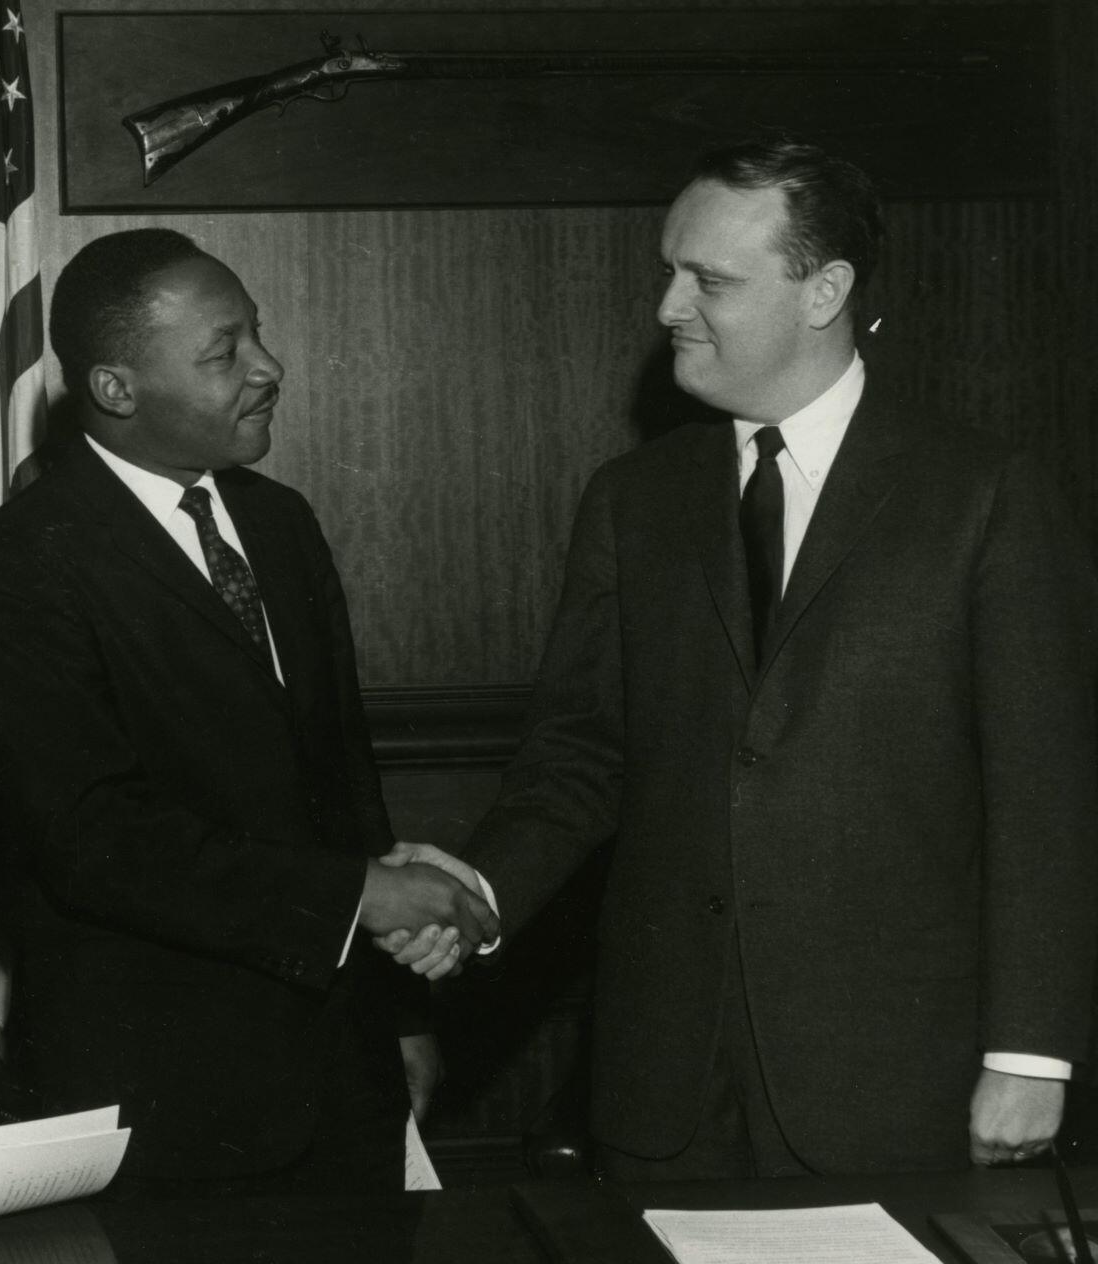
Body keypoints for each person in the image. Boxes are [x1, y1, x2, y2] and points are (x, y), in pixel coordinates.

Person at [456, 138, 1098, 1179]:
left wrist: (1031, 1052)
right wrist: (476, 887)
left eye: (707, 279)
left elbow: (1048, 800)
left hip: (897, 1085)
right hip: (664, 1085)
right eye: (668, 270)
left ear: (822, 291)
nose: (667, 306)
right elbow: (580, 753)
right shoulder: (633, 500)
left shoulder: (983, 497)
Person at [0, 229, 497, 1194]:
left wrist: (396, 1016)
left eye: (258, 336)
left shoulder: (282, 525)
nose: (268, 367)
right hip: (159, 1105)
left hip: (340, 1079)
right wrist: (353, 898)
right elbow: (91, 839)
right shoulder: (19, 567)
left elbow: (344, 787)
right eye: (223, 353)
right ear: (115, 390)